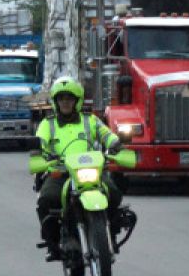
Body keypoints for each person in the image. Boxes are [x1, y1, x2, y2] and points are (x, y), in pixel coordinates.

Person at [33, 76, 122, 261]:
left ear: (77, 100)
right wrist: (40, 153)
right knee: (46, 200)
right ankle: (53, 243)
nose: (65, 102)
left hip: (91, 170)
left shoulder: (91, 120)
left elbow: (107, 135)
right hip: (60, 173)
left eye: (69, 98)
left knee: (113, 193)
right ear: (56, 101)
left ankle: (110, 235)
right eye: (61, 98)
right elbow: (39, 144)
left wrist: (115, 144)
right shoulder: (47, 124)